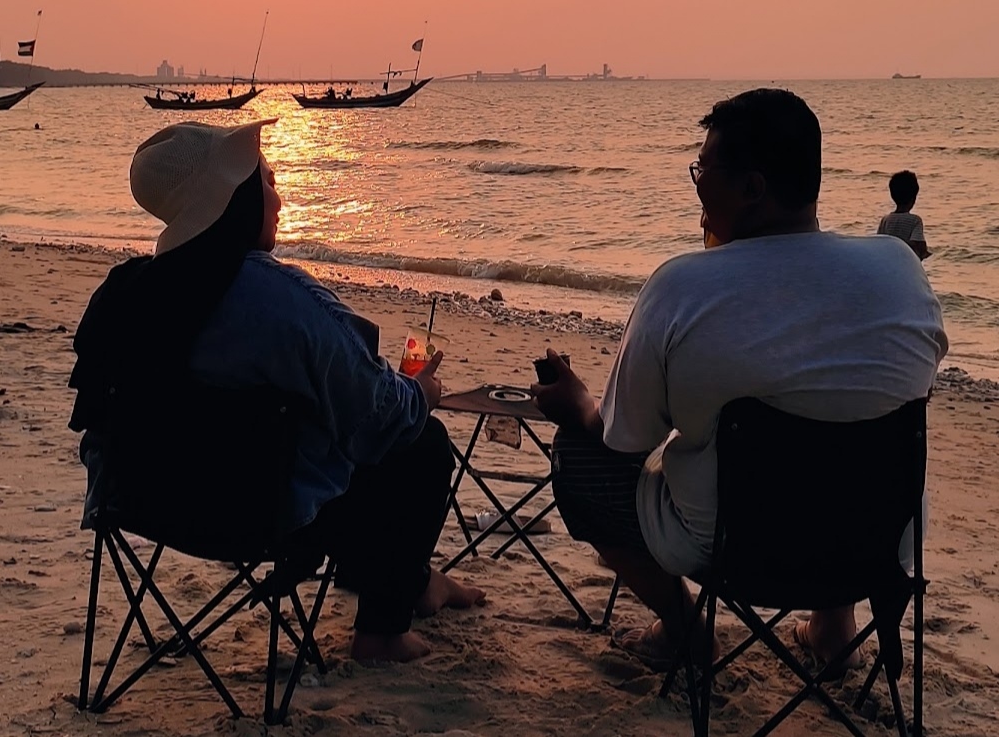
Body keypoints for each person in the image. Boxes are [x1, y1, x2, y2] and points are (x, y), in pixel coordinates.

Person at [533, 89, 946, 672]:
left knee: (580, 457)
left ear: (752, 188)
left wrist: (578, 404)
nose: (696, 184)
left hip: (736, 549)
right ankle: (834, 629)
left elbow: (624, 439)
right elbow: (901, 385)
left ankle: (686, 632)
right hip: (879, 542)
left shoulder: (682, 288)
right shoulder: (899, 269)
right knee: (848, 426)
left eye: (704, 170)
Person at [69, 119, 484, 663]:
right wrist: (420, 393)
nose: (281, 198)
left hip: (141, 504)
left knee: (326, 433)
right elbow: (375, 408)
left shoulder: (123, 295)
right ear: (234, 199)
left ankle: (420, 582)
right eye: (266, 181)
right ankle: (383, 631)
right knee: (418, 442)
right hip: (255, 517)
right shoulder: (275, 298)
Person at [878, 171, 931, 260]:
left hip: (889, 261)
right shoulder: (915, 220)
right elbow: (918, 245)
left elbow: (879, 243)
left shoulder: (886, 220)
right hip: (907, 262)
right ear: (913, 199)